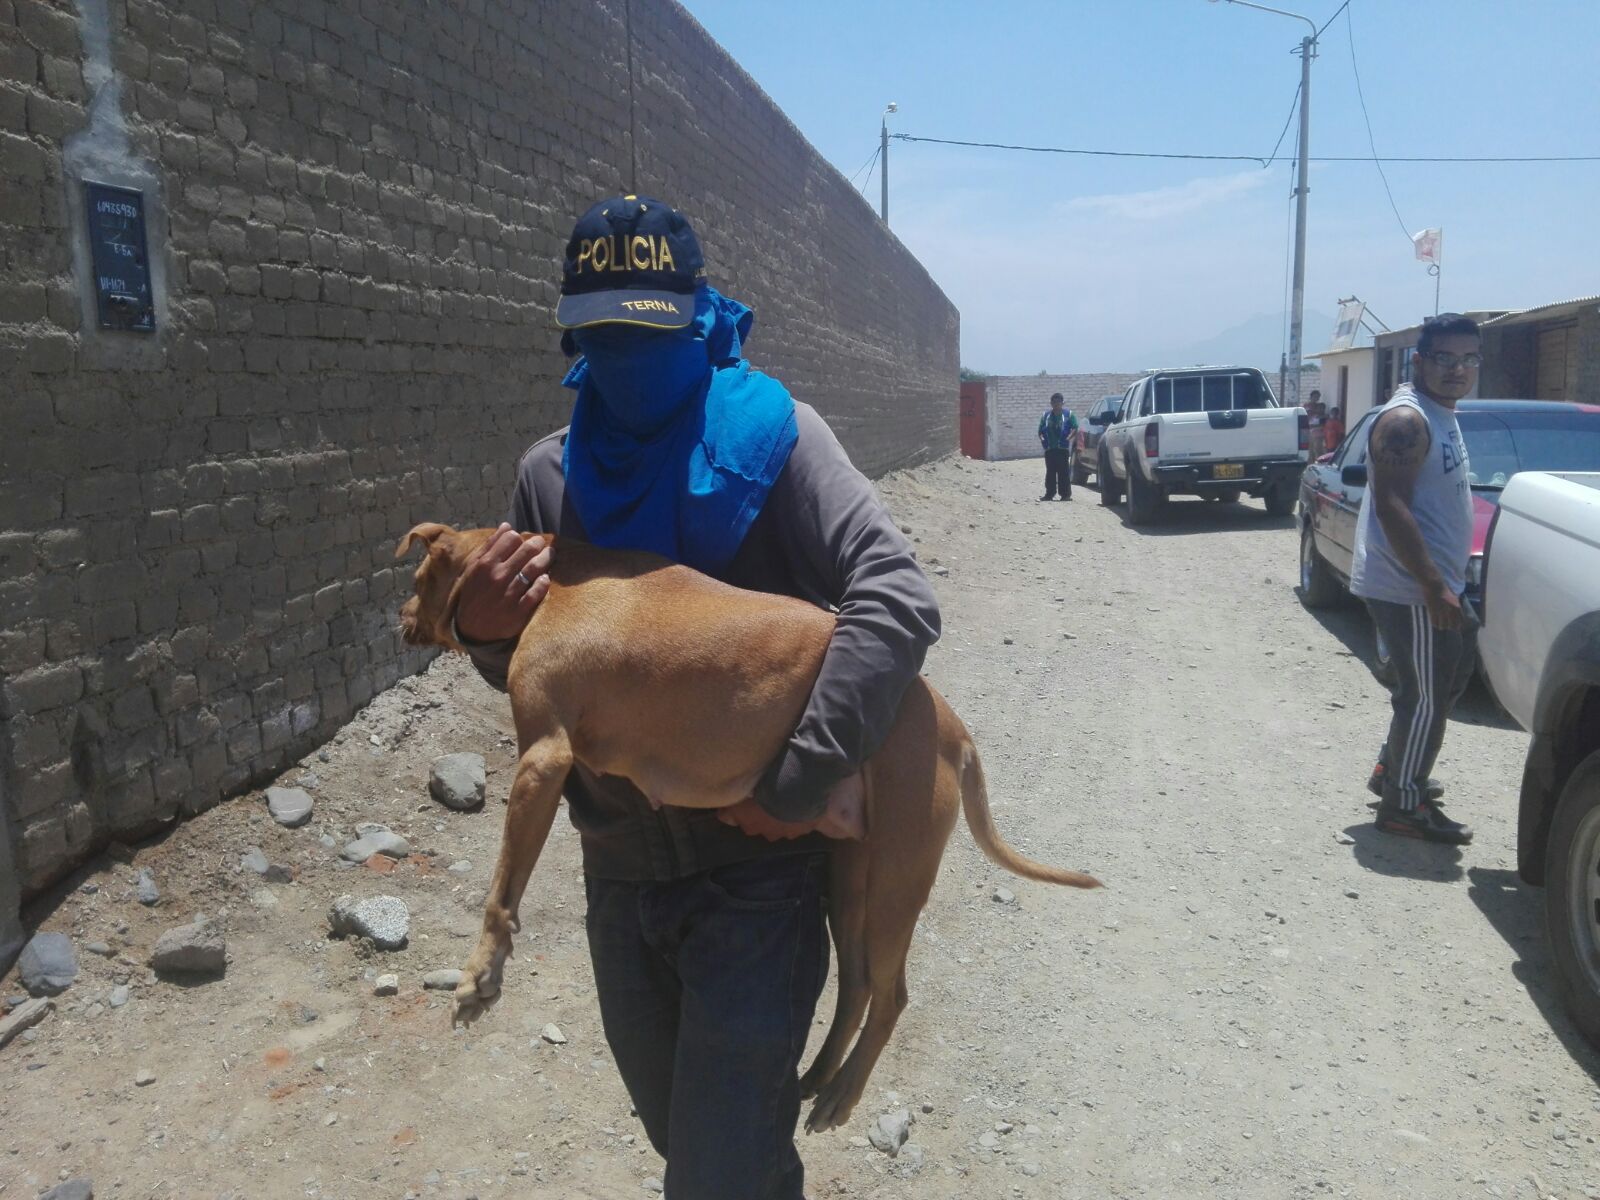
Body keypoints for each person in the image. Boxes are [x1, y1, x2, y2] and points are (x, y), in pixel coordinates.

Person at [447, 194, 941, 1199]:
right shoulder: (551, 477)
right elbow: (539, 679)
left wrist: (797, 781)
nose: (627, 359)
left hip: (758, 875)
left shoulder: (775, 439)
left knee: (718, 1170)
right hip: (620, 873)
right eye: (604, 337)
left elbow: (897, 597)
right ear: (573, 338)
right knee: (693, 1140)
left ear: (698, 317)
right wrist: (484, 634)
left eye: (649, 334)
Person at [1349, 313, 1482, 844]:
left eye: (1468, 358)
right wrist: (1432, 585)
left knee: (1448, 679)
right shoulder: (1406, 421)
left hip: (1438, 582)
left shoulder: (1441, 411)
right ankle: (1404, 804)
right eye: (1445, 358)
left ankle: (1395, 768)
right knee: (1424, 697)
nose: (1458, 369)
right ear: (1420, 361)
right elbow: (1391, 505)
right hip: (1411, 587)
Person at [1037, 392, 1078, 500]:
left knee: (1063, 472)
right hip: (1050, 449)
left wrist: (1069, 437)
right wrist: (1042, 439)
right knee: (1050, 472)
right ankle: (1049, 494)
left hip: (1062, 449)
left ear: (1062, 403)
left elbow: (1075, 427)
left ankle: (1065, 495)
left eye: (1058, 402)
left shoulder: (1069, 414)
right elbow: (1040, 430)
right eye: (1054, 402)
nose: (1056, 404)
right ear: (1051, 403)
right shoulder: (1046, 416)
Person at [1305, 389, 1325, 458]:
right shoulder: (1307, 405)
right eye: (1315, 397)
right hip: (1308, 429)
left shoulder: (1318, 406)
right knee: (1310, 450)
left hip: (1317, 430)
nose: (1317, 398)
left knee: (1318, 449)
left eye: (1318, 397)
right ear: (1311, 397)